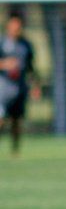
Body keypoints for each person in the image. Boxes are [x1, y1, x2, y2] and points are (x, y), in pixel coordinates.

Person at [0, 13, 38, 156]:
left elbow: (31, 68)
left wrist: (35, 85)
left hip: (19, 88)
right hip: (3, 87)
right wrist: (5, 64)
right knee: (1, 119)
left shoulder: (26, 45)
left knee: (16, 121)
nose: (16, 29)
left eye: (19, 26)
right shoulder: (2, 43)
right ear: (8, 26)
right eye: (13, 25)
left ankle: (15, 152)